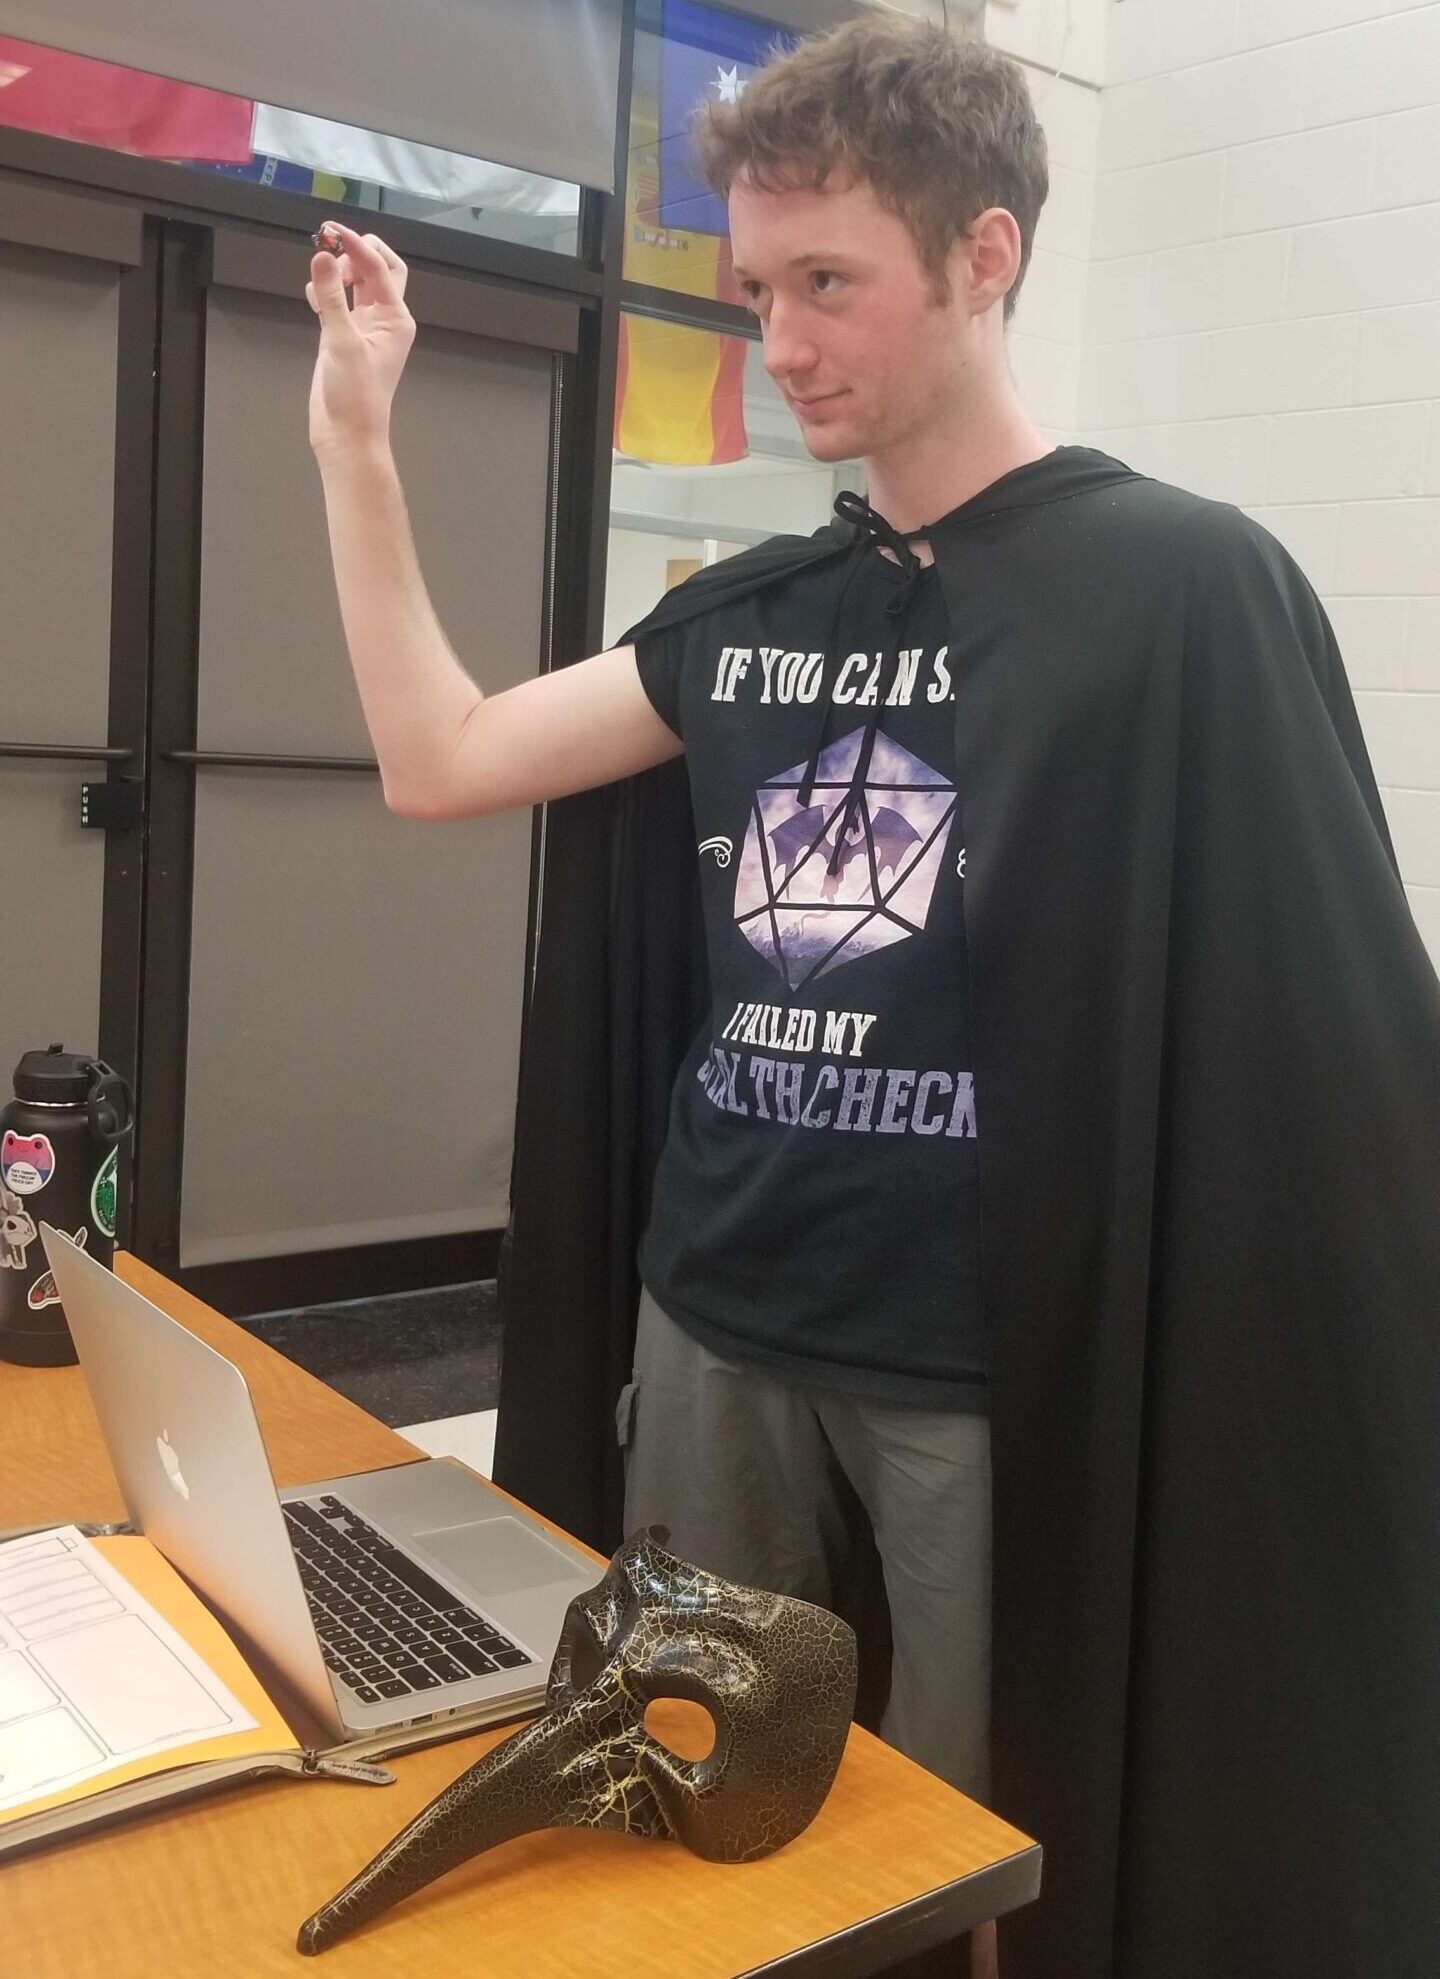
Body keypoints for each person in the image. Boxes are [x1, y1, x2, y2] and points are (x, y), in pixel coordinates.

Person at [306, 19, 1439, 1979]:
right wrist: (353, 430)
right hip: (724, 1314)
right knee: (692, 1795)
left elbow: (1321, 1021)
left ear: (984, 256)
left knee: (982, 1852)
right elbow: (443, 755)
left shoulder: (1177, 588)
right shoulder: (748, 618)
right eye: (755, 291)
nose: (783, 342)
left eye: (829, 282)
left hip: (990, 1363)